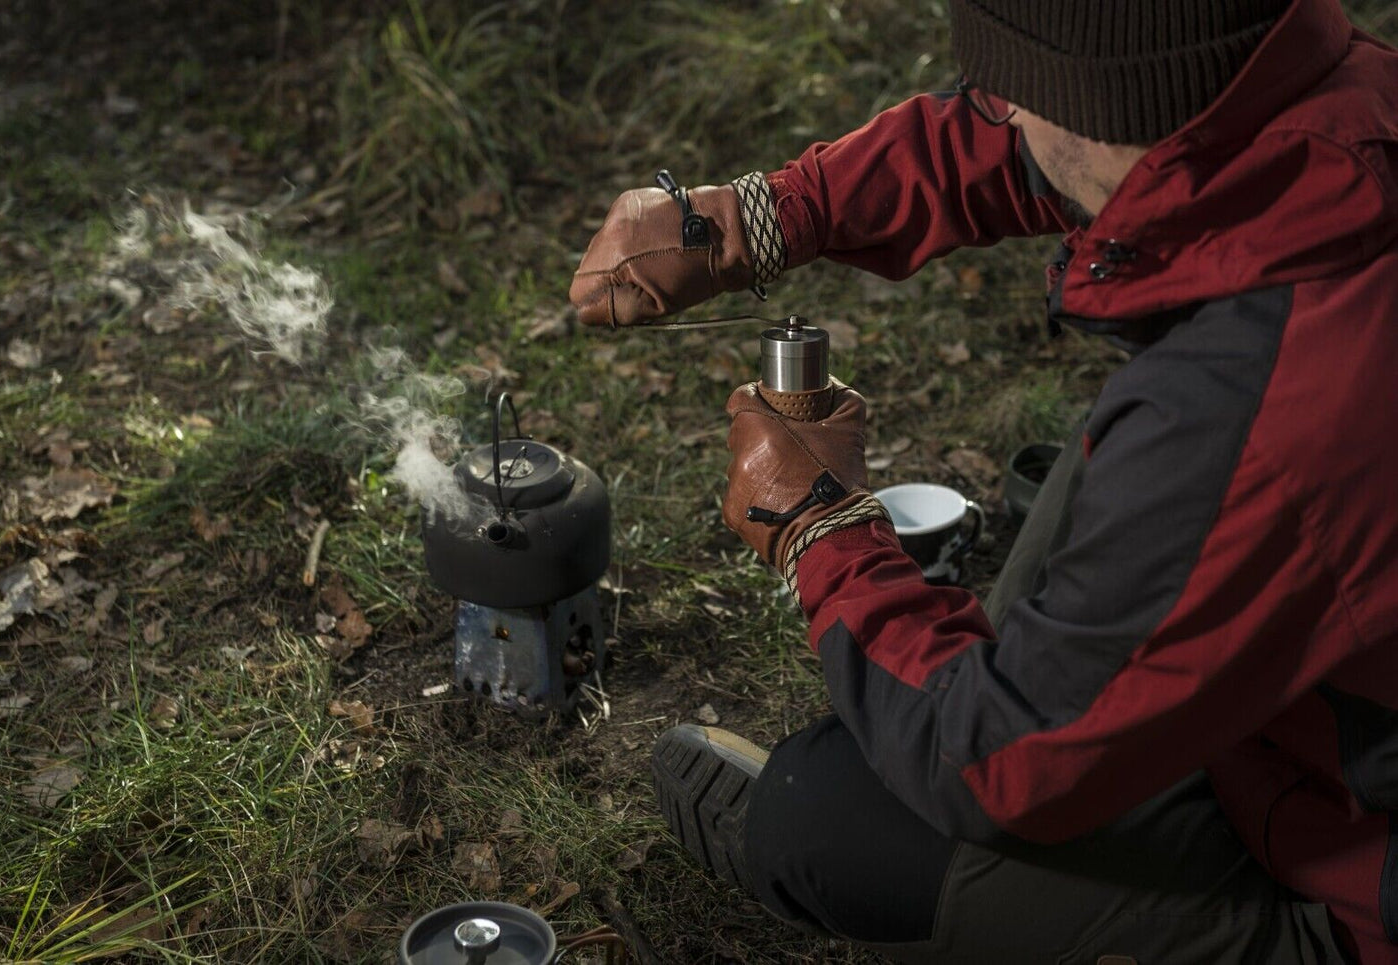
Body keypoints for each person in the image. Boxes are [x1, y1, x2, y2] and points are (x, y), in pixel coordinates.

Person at [569, 0, 1398, 961]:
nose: (993, 112)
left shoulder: (1245, 413)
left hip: (1357, 888)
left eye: (1014, 93)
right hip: (1301, 722)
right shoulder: (1339, 114)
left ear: (1101, 101)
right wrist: (759, 215)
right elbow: (1025, 152)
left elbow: (993, 766)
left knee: (831, 821)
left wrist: (819, 526)